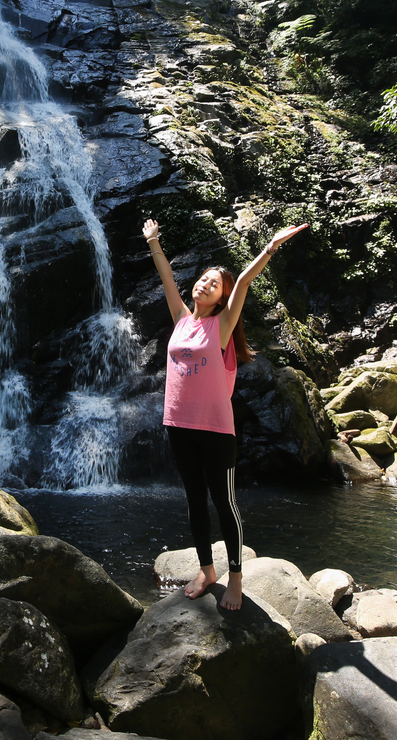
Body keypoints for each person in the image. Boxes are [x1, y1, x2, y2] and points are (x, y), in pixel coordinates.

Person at [142, 216, 308, 609]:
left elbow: (246, 280)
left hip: (216, 430)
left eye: (214, 284)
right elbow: (167, 278)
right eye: (203, 279)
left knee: (225, 502)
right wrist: (154, 242)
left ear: (221, 298)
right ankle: (207, 568)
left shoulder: (222, 326)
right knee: (195, 501)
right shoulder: (182, 320)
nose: (204, 284)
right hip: (177, 425)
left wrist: (270, 247)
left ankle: (235, 577)